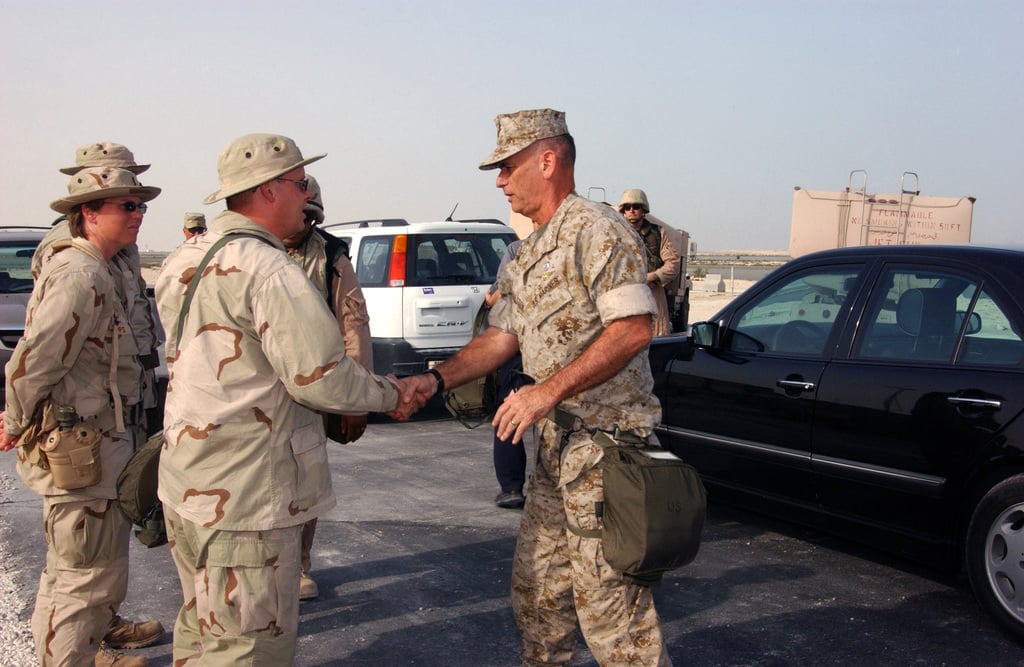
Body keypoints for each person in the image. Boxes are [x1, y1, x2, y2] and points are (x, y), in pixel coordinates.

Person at [400, 109, 671, 665]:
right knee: (538, 596)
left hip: (607, 452)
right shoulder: (525, 252)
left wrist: (547, 391)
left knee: (614, 618)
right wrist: (432, 380)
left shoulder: (598, 231)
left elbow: (633, 328)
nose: (499, 180)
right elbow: (502, 338)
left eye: (507, 166)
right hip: (555, 453)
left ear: (547, 161)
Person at [154, 133, 418, 665]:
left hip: (188, 486)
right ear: (269, 191)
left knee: (203, 630)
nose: (307, 196)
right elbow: (320, 379)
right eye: (300, 184)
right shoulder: (270, 270)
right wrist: (395, 392)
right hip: (247, 498)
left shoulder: (185, 257)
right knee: (247, 648)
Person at [0, 167, 163, 667]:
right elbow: (34, 359)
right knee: (86, 579)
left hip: (102, 445)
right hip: (84, 452)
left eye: (139, 206)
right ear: (88, 214)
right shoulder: (81, 274)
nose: (138, 215)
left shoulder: (108, 267)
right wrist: (12, 421)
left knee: (77, 572)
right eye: (126, 206)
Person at [280, 173, 374, 600]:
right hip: (259, 393)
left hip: (311, 394)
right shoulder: (250, 252)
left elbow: (353, 326)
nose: (303, 223)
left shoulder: (331, 256)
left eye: (310, 215)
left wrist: (357, 399)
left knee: (306, 484)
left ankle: (298, 566)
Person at [484, 239, 526, 509]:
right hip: (565, 353)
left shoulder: (517, 249)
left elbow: (494, 297)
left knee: (509, 414)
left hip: (519, 347)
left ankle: (512, 487)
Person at [618, 189, 680, 337]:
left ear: (643, 209)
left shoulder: (658, 233)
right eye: (627, 207)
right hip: (624, 295)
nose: (632, 211)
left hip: (652, 293)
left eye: (636, 207)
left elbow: (673, 263)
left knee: (656, 343)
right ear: (623, 211)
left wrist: (654, 276)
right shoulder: (616, 234)